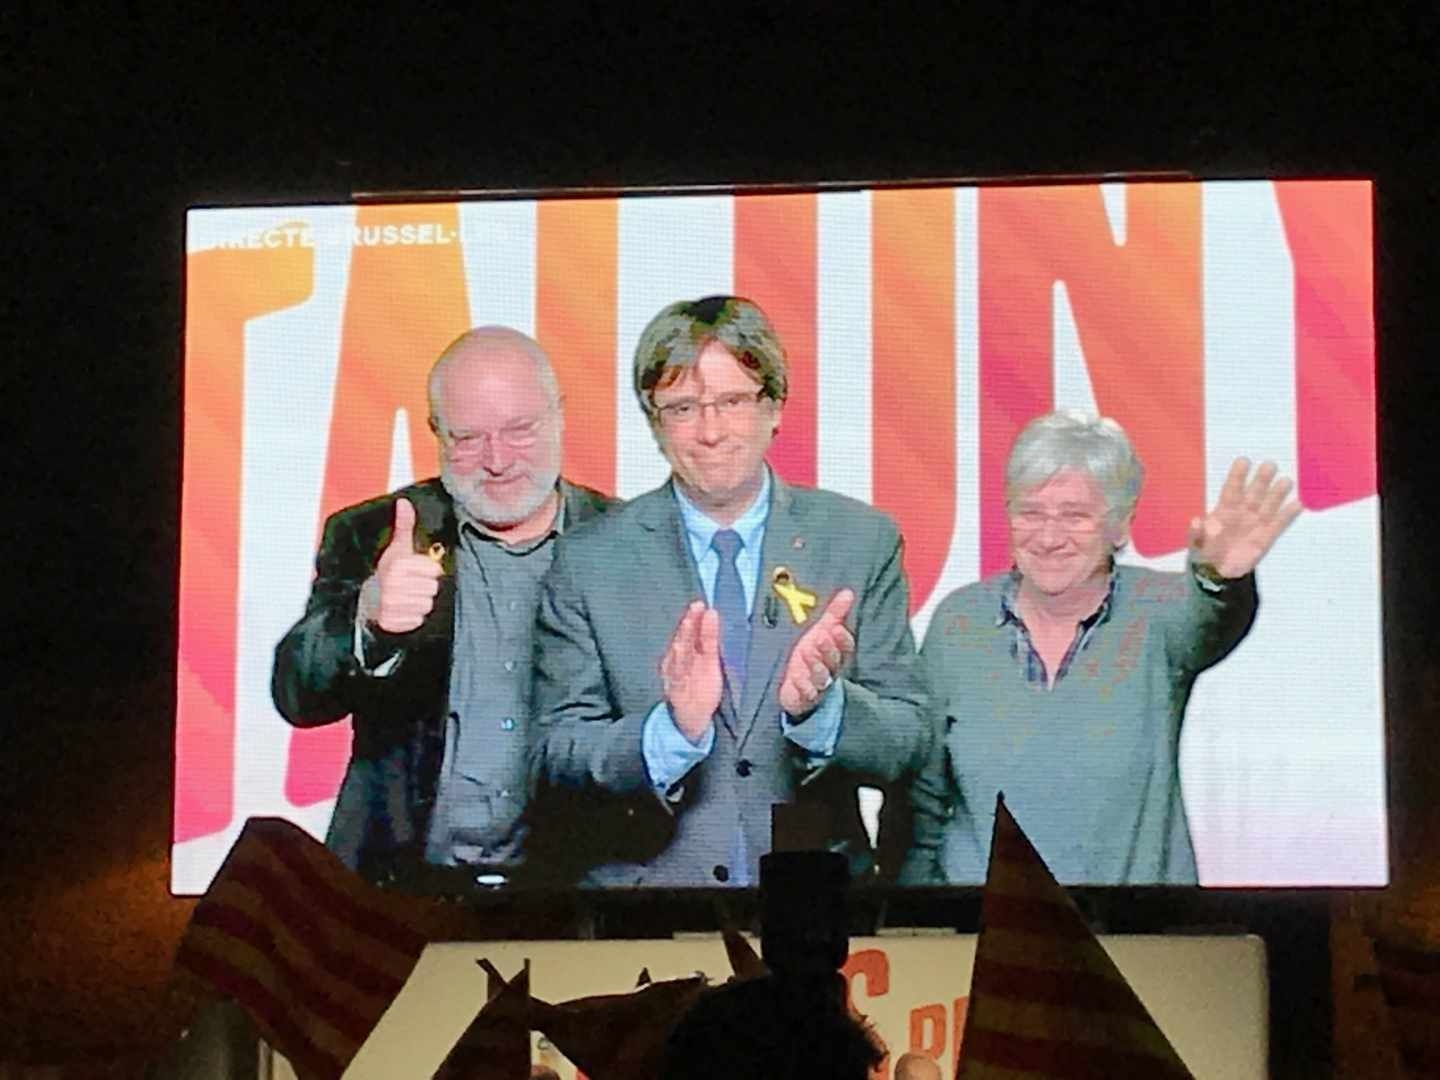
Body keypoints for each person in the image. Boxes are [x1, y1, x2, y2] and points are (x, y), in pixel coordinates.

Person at [529, 295, 931, 887]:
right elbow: (555, 751)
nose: (711, 431)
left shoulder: (860, 540)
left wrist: (826, 711)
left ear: (775, 408)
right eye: (683, 407)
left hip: (813, 909)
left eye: (733, 401)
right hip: (645, 916)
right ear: (654, 424)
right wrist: (669, 731)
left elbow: (910, 740)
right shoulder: (588, 558)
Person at [271, 327, 616, 884]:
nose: (497, 460)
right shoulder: (373, 534)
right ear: (435, 433)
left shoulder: (628, 542)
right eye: (468, 438)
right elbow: (297, 693)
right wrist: (366, 620)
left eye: (520, 430)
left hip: (577, 899)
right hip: (401, 898)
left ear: (560, 416)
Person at [902, 411, 1301, 885]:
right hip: (982, 935)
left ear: (1120, 526)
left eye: (1075, 516)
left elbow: (1214, 619)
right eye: (1031, 512)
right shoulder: (958, 622)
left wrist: (1219, 579)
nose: (1049, 537)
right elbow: (921, 801)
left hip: (1135, 937)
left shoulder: (1161, 615)